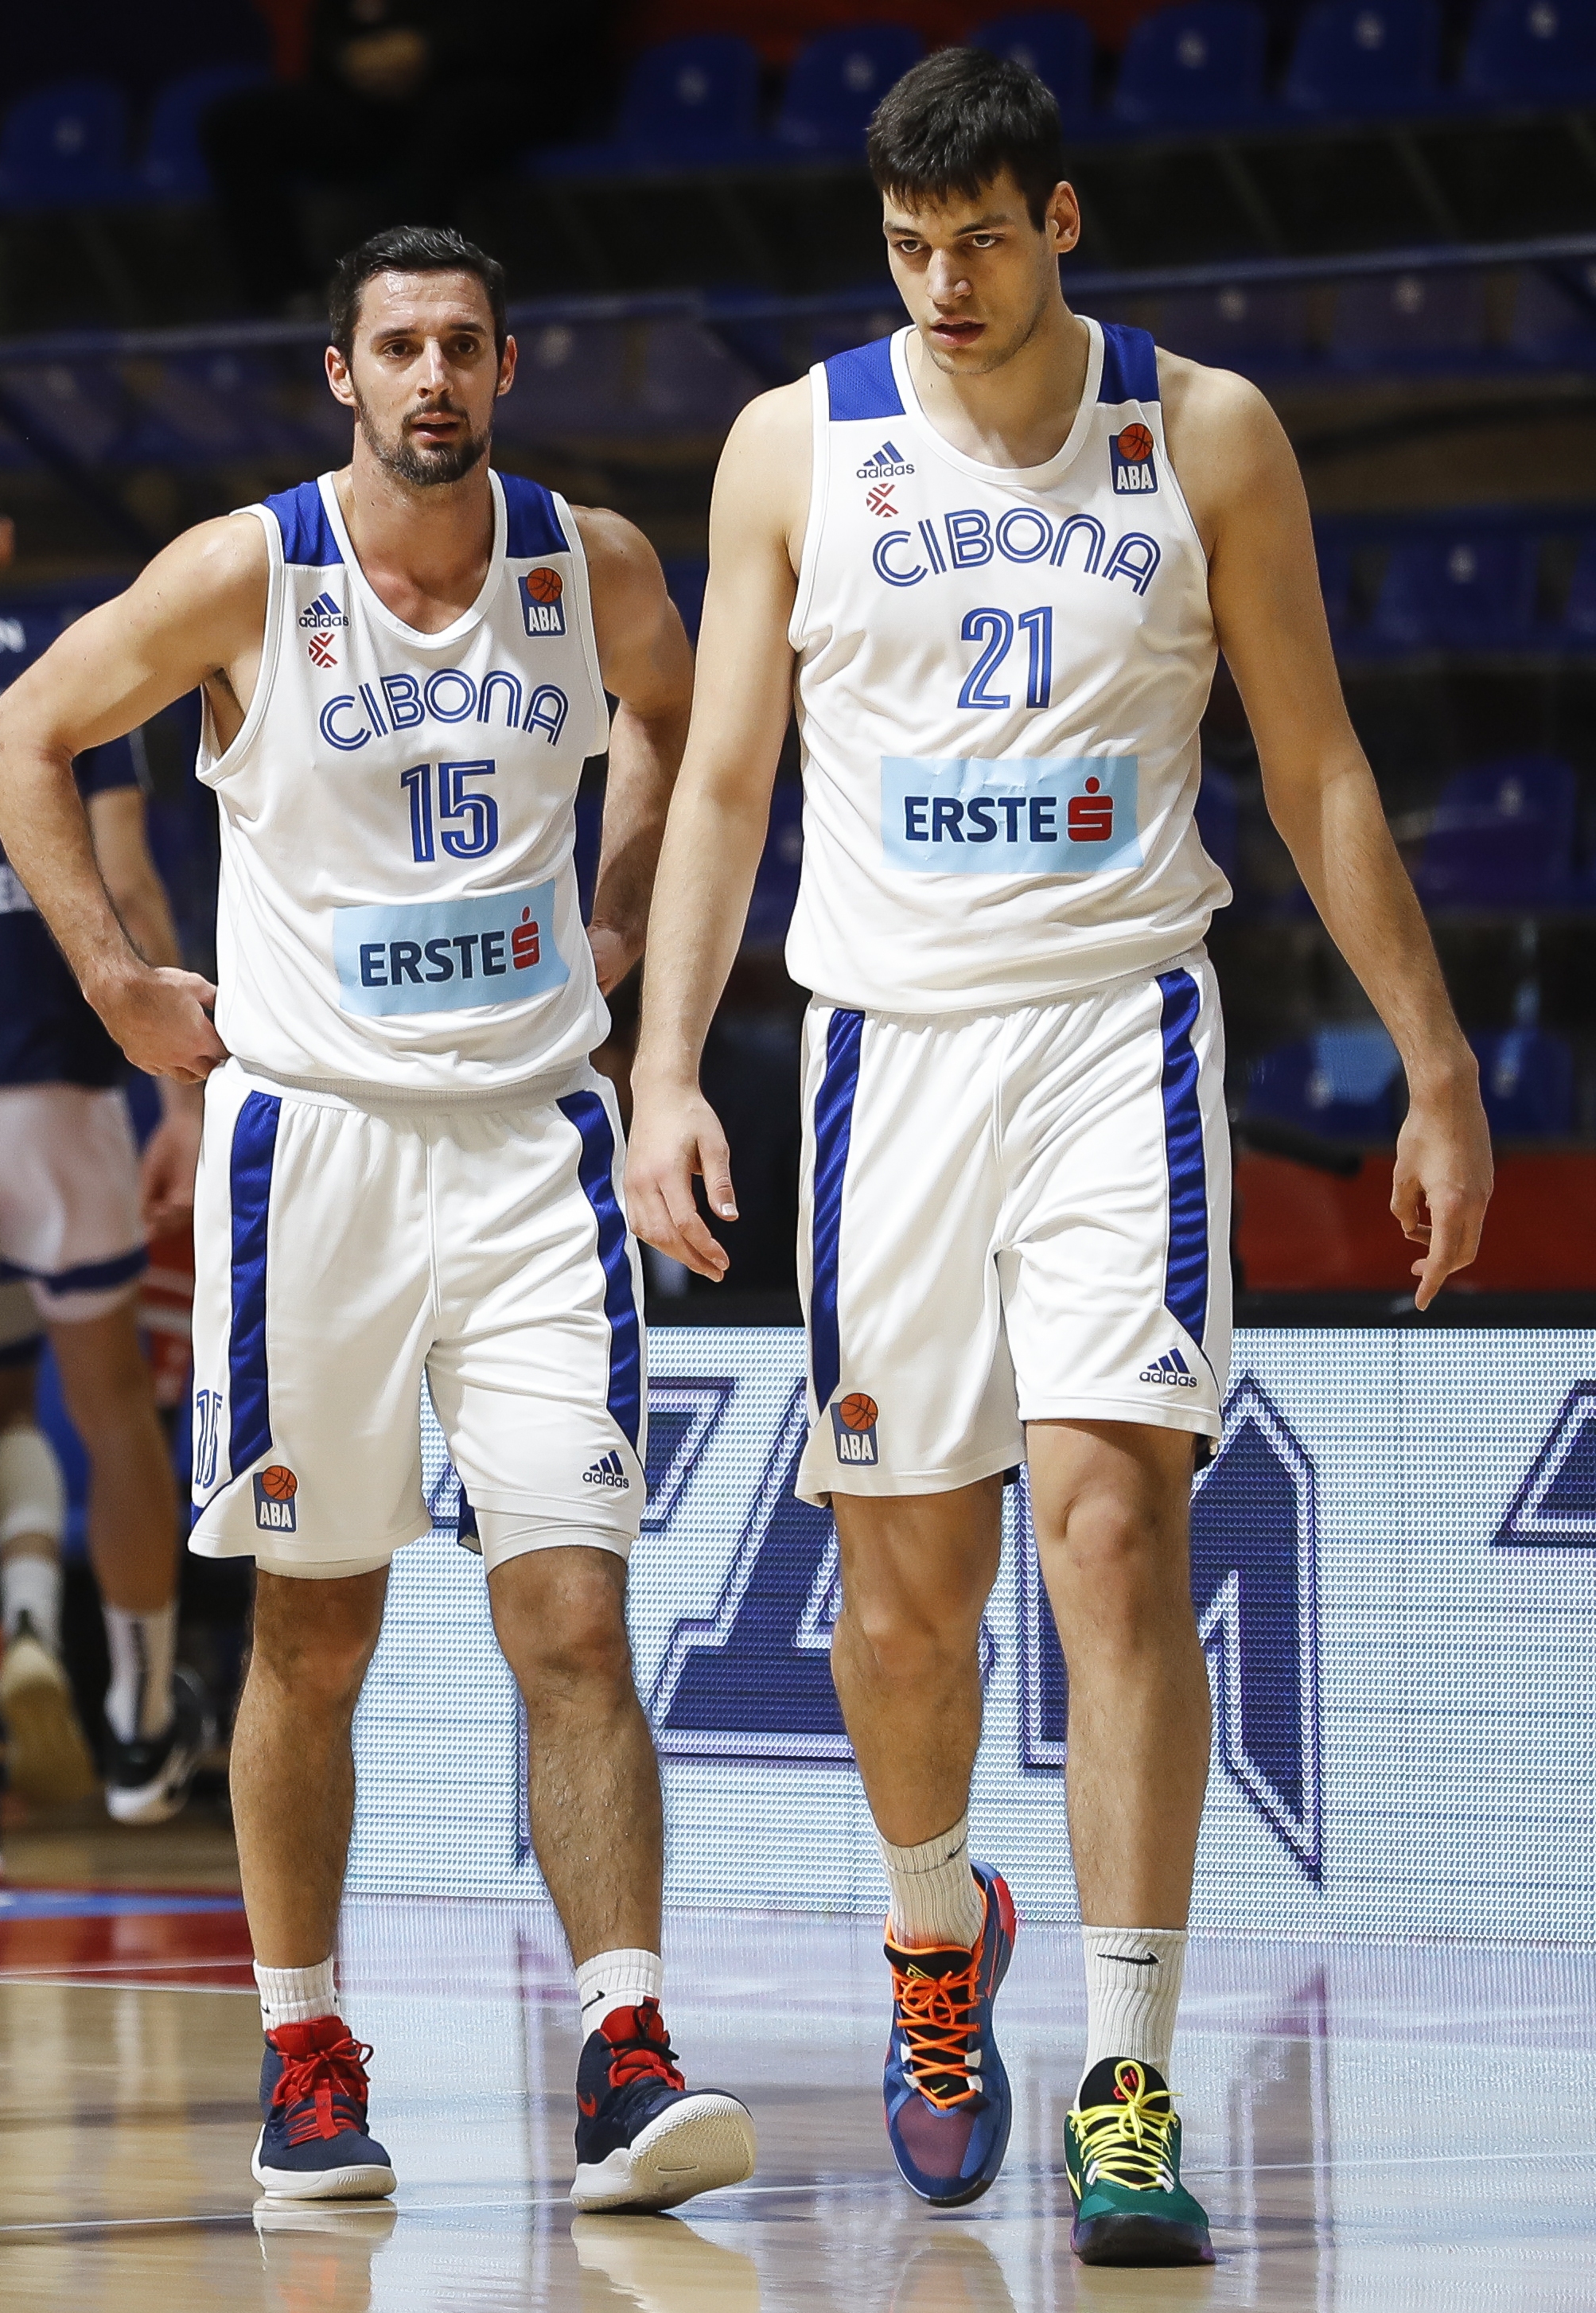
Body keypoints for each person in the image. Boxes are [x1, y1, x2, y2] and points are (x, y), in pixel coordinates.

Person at [617, 52, 1491, 2269]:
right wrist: (661, 1065)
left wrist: (1431, 1067)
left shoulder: (1197, 435)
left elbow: (1307, 769)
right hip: (879, 1055)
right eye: (904, 247)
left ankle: (1122, 2076)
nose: (940, 283)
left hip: (1116, 1033)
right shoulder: (790, 441)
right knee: (899, 1612)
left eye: (977, 238)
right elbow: (717, 784)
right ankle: (934, 1941)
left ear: (1059, 219)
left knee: (1108, 1532)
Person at [0, 224, 755, 2216]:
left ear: (508, 367)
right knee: (313, 1631)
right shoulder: (250, 568)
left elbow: (688, 723)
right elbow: (18, 740)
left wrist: (616, 888)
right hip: (308, 1152)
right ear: (338, 371)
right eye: (396, 347)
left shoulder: (592, 566)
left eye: (462, 347)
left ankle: (623, 2045)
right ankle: (307, 2049)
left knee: (570, 1611)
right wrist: (119, 978)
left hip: (528, 1149)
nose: (431, 377)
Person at [0, 506, 209, 1859]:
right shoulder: (72, 651)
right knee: (106, 1407)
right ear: (4, 533)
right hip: (59, 1075)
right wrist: (176, 1091)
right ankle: (142, 1718)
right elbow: (128, 881)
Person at [196, 2, 589, 315]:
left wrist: (430, 50)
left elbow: (547, 24)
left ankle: (405, 297)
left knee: (448, 123)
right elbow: (333, 28)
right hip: (376, 99)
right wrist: (350, 59)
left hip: (493, 83)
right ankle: (287, 304)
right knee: (237, 125)